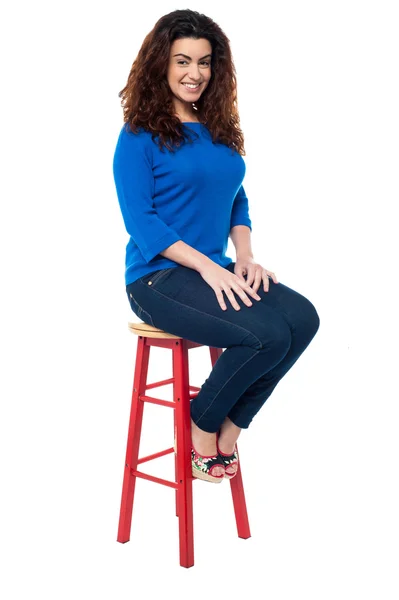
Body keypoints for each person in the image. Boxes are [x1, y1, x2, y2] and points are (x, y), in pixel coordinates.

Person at [113, 9, 320, 484]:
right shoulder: (137, 137)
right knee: (266, 335)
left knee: (302, 319)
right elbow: (141, 222)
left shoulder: (218, 130)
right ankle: (202, 427)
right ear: (160, 64)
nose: (194, 73)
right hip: (156, 277)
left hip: (216, 267)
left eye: (204, 63)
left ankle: (228, 428)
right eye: (183, 60)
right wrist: (209, 267)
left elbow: (236, 200)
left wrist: (244, 258)